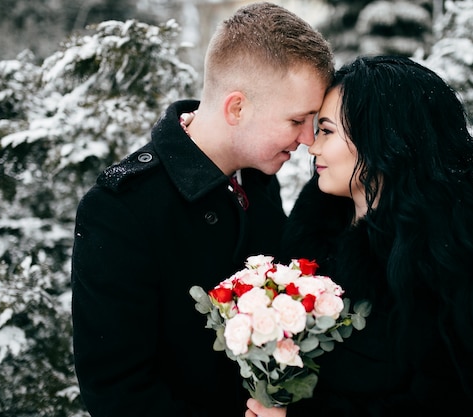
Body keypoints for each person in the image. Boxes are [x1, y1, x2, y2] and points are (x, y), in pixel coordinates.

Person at [70, 2, 334, 416]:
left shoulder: (259, 178)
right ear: (237, 108)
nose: (306, 138)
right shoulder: (121, 209)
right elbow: (118, 391)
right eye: (296, 120)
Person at [246, 55, 473, 417]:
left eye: (326, 130)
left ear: (380, 139)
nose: (312, 146)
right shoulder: (311, 233)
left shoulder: (440, 266)